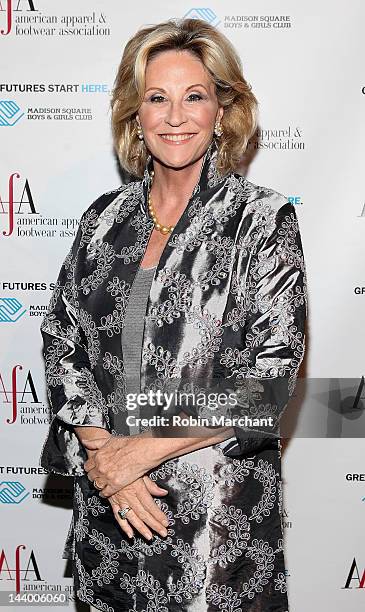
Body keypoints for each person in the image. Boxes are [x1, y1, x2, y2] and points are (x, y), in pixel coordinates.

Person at [39, 16, 307, 612]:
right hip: (109, 506)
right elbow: (62, 340)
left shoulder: (260, 222)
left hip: (214, 519)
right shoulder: (103, 219)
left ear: (222, 110)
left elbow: (270, 382)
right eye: (157, 98)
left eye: (195, 96)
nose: (176, 115)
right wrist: (106, 454)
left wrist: (144, 450)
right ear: (136, 113)